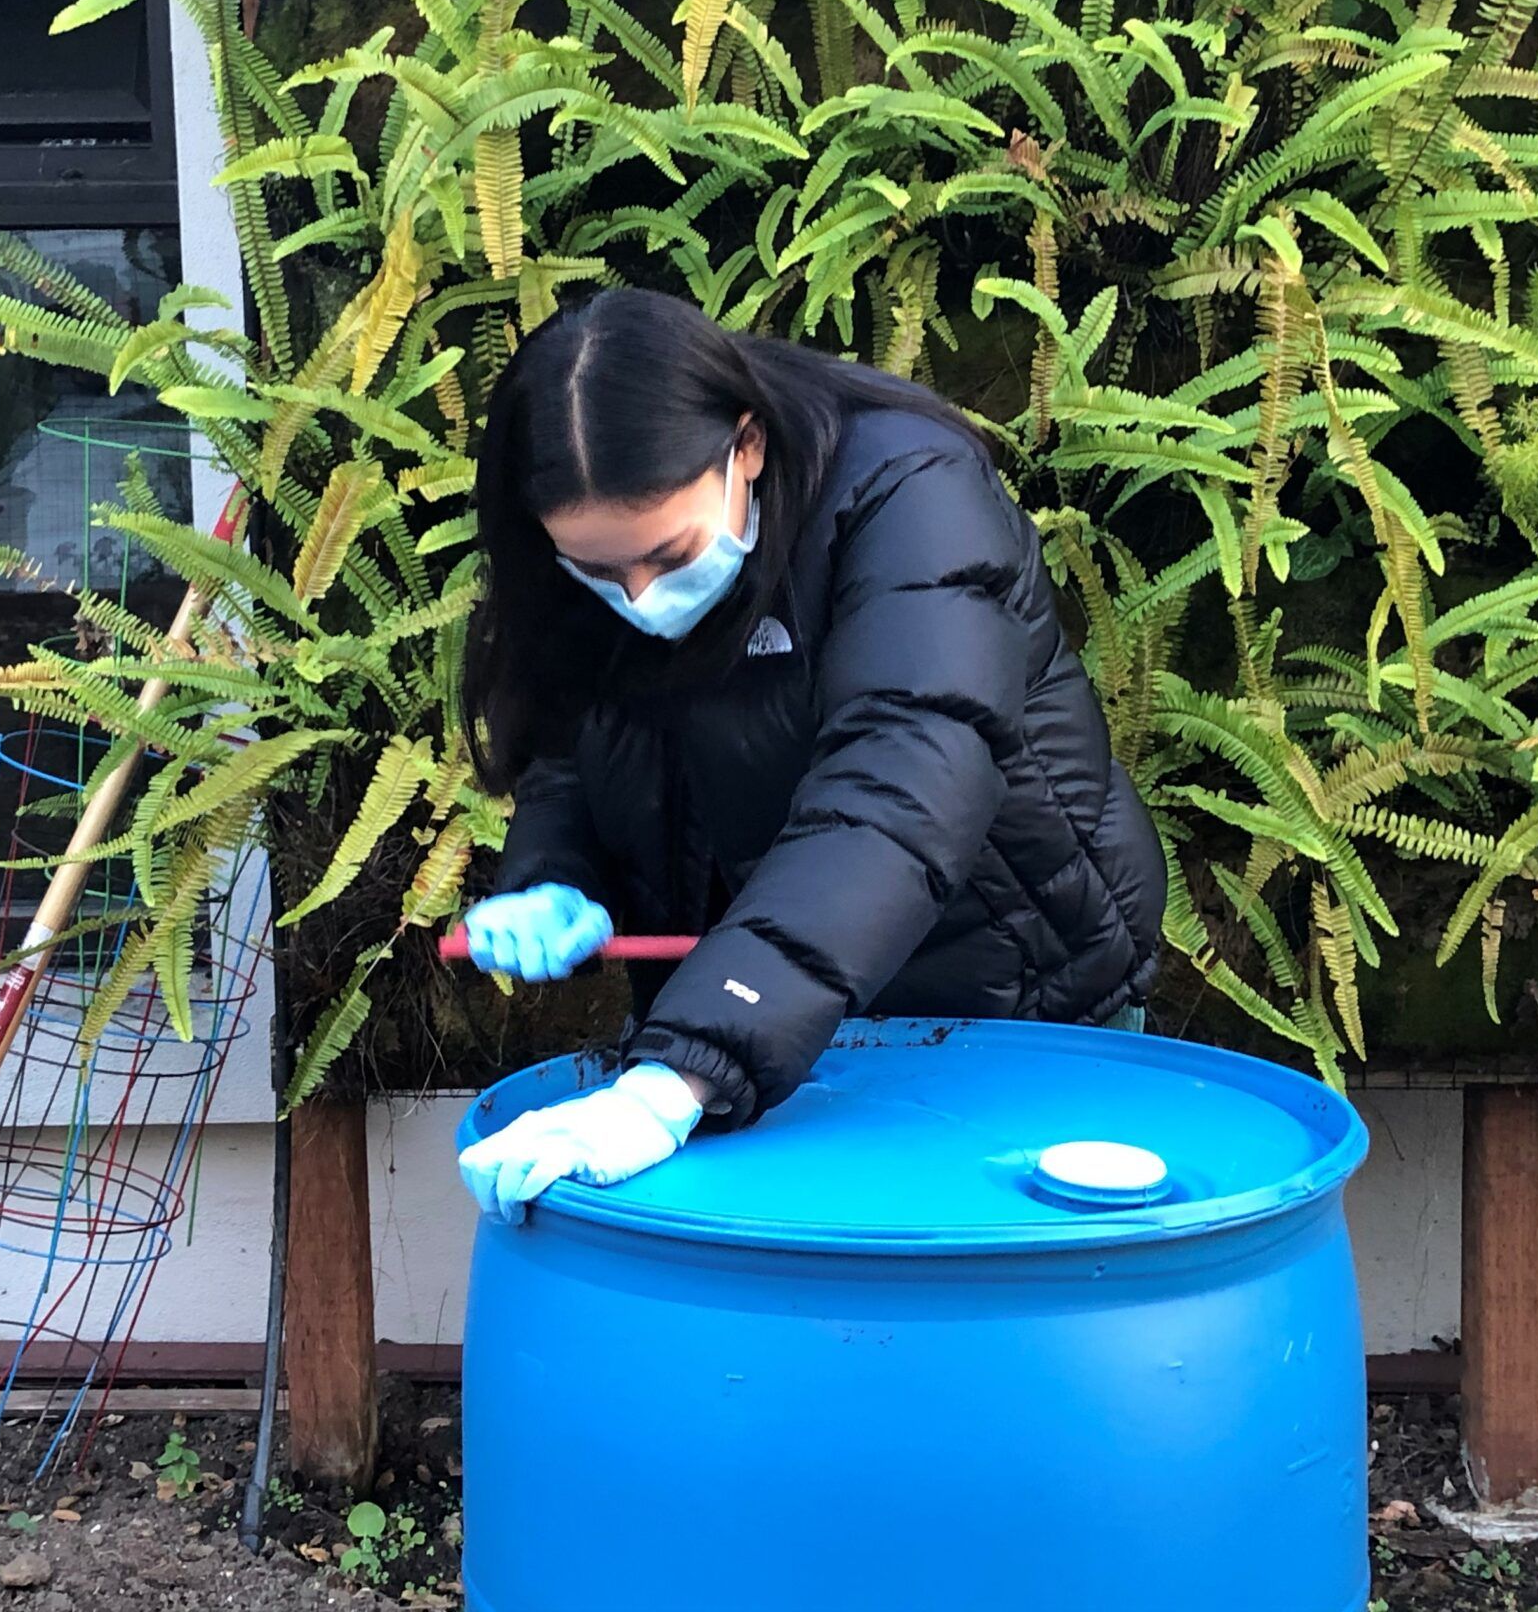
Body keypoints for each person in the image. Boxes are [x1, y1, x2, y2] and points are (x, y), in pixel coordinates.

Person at [452, 289, 1163, 1222]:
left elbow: (901, 788)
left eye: (669, 555)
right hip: (753, 1024)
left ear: (745, 446)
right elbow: (577, 743)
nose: (640, 596)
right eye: (598, 572)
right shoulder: (592, 571)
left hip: (1010, 1008)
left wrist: (678, 1077)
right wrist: (554, 872)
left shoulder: (912, 494)